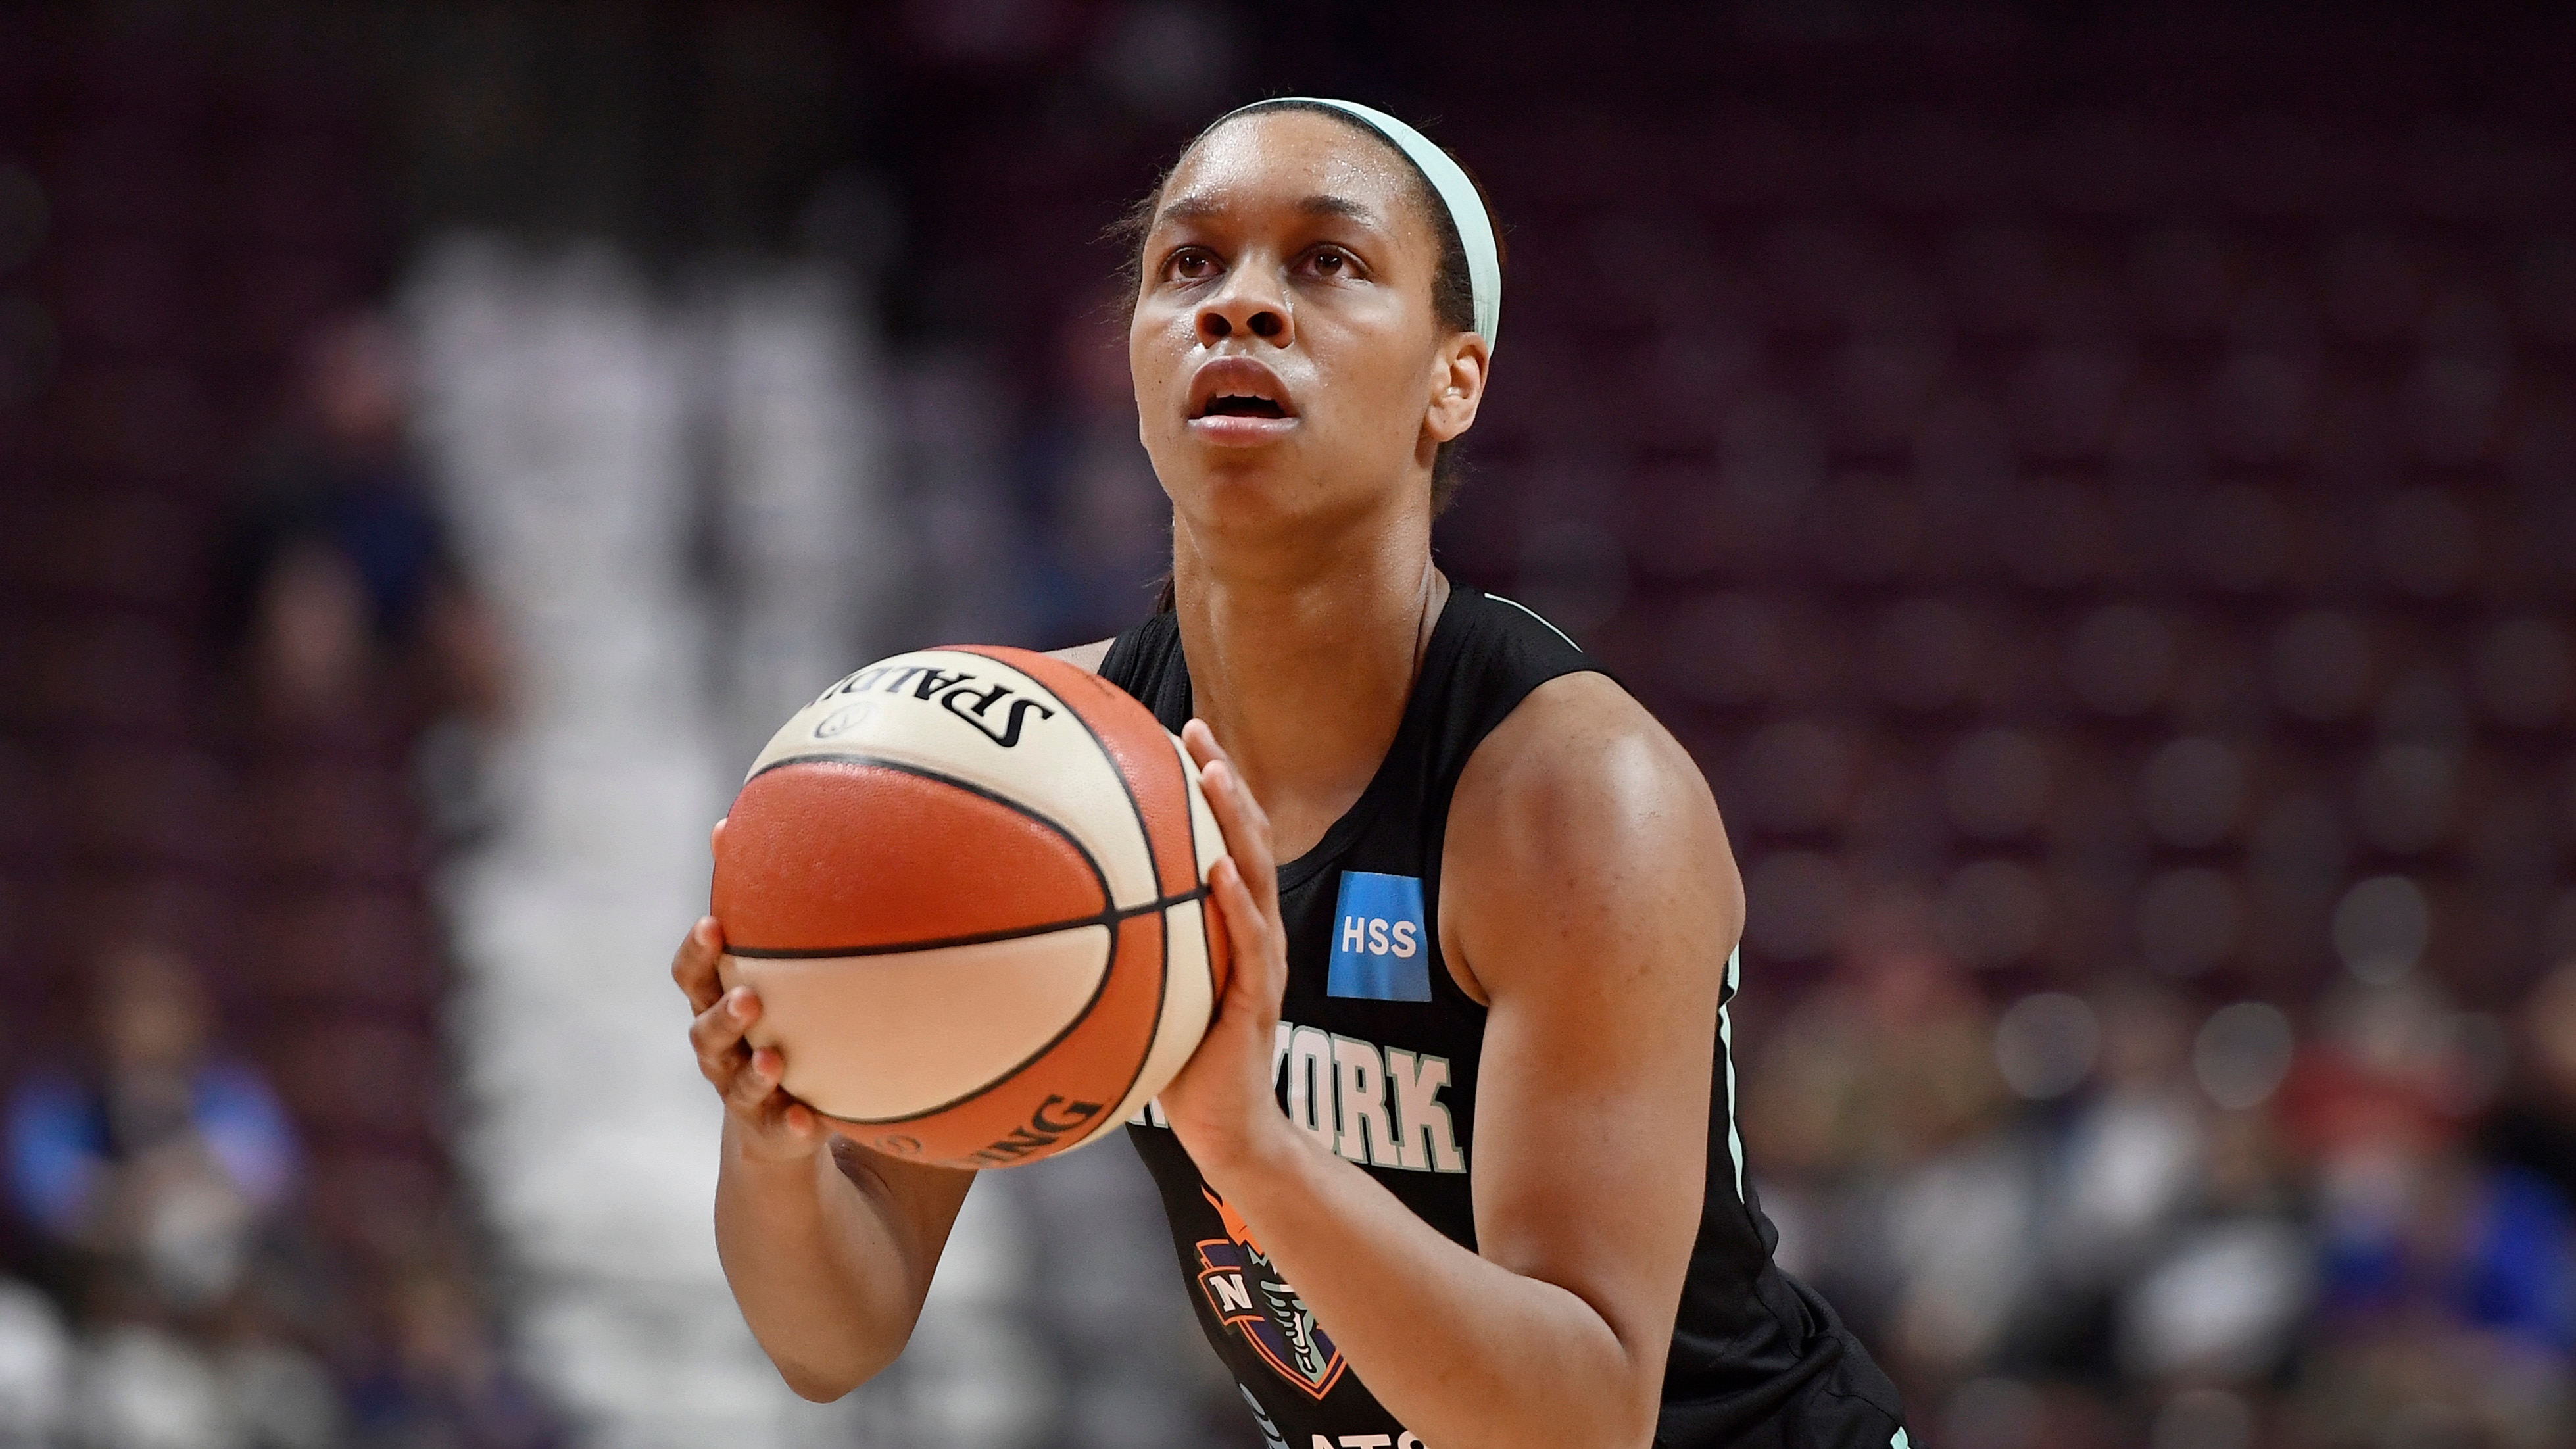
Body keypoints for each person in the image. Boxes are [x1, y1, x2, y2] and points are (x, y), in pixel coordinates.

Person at [673, 97, 1909, 1448]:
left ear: (1455, 380)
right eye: (1189, 265)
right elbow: (833, 1340)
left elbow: (1584, 1422)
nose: (1241, 305)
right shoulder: (1051, 771)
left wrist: (1248, 1140)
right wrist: (779, 1143)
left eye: (1327, 263)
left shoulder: (1575, 795)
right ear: (1134, 363)